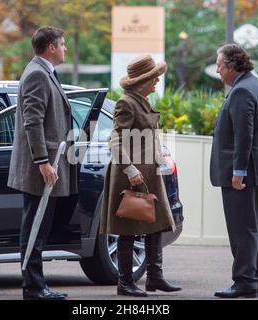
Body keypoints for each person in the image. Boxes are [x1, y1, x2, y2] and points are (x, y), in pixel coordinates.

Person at [100, 55, 181, 297]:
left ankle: (155, 278)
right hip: (133, 176)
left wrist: (160, 157)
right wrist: (131, 169)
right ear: (143, 81)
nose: (157, 80)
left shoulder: (141, 101)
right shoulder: (126, 103)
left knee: (155, 225)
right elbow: (115, 140)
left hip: (150, 173)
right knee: (128, 229)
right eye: (154, 77)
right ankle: (125, 283)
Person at [7, 26, 77, 300]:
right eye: (63, 44)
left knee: (38, 226)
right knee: (34, 227)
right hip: (41, 168)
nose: (65, 48)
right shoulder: (37, 73)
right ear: (51, 47)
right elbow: (32, 122)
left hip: (45, 165)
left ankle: (36, 286)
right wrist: (43, 162)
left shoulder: (42, 71)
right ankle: (34, 288)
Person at [210, 44, 258, 298]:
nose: (217, 70)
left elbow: (243, 136)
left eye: (219, 65)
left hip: (245, 174)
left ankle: (244, 282)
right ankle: (252, 279)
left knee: (243, 229)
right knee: (254, 226)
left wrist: (238, 173)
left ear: (232, 66)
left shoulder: (242, 91)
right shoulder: (255, 85)